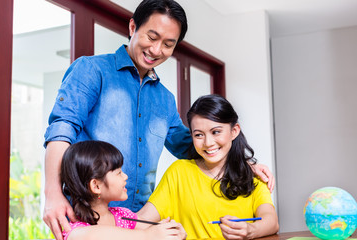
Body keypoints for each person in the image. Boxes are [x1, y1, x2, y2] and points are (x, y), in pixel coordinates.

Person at [43, 0, 275, 239]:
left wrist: (243, 164)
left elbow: (190, 146)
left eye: (168, 44)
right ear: (133, 27)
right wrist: (53, 193)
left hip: (137, 220)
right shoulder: (92, 70)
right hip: (88, 218)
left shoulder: (164, 99)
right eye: (152, 37)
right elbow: (62, 129)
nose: (156, 50)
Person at [137, 94, 279, 239]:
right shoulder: (179, 172)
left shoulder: (253, 176)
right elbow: (140, 221)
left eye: (216, 132)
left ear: (234, 131)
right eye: (199, 135)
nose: (208, 143)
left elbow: (271, 222)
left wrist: (251, 230)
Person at [60, 140, 186, 240]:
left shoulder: (123, 216)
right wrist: (147, 236)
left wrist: (170, 231)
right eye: (119, 172)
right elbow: (90, 236)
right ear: (96, 186)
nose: (125, 176)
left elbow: (153, 231)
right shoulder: (77, 231)